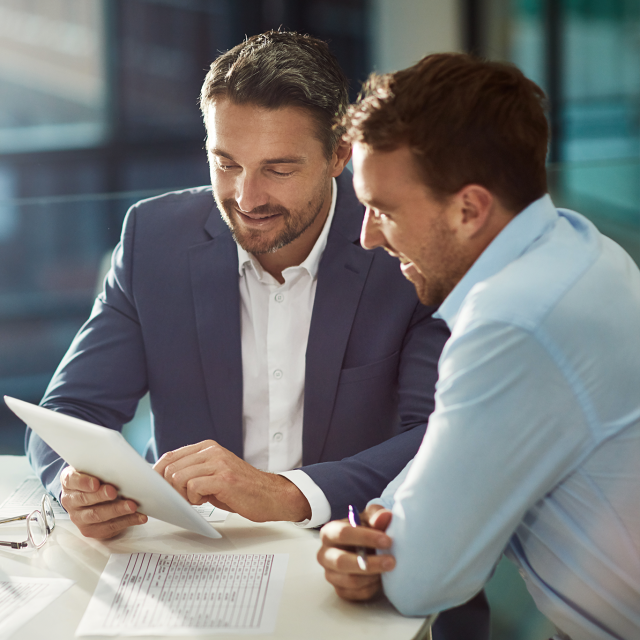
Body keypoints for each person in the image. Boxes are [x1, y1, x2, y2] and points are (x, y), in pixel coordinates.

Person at [26, 32, 452, 541]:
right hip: (194, 553)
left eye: (278, 168)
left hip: (353, 545)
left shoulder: (402, 250)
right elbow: (69, 413)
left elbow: (439, 437)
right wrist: (76, 482)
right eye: (226, 164)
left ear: (339, 156)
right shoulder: (154, 239)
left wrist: (287, 493)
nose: (246, 197)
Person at [317, 53, 640, 640]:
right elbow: (450, 450)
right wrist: (373, 522)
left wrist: (379, 548)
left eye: (383, 210)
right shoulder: (576, 244)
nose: (366, 237)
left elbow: (418, 580)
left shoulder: (512, 323)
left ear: (469, 209)